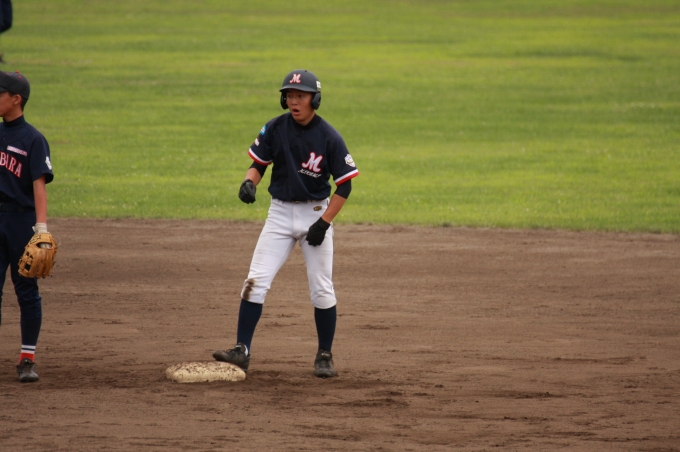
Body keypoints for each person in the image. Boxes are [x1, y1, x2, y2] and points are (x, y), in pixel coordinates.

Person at [213, 69, 358, 378]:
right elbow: (258, 164)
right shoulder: (275, 128)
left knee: (321, 288)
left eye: (300, 96)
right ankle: (242, 350)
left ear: (314, 100)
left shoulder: (329, 137)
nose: (294, 101)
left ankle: (324, 355)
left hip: (315, 213)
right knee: (255, 281)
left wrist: (323, 223)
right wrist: (249, 182)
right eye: (289, 95)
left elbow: (345, 185)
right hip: (279, 214)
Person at [0, 70, 53, 382]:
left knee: (27, 291)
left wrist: (41, 229)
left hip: (21, 222)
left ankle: (27, 359)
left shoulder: (33, 139)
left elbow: (38, 186)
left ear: (16, 99)